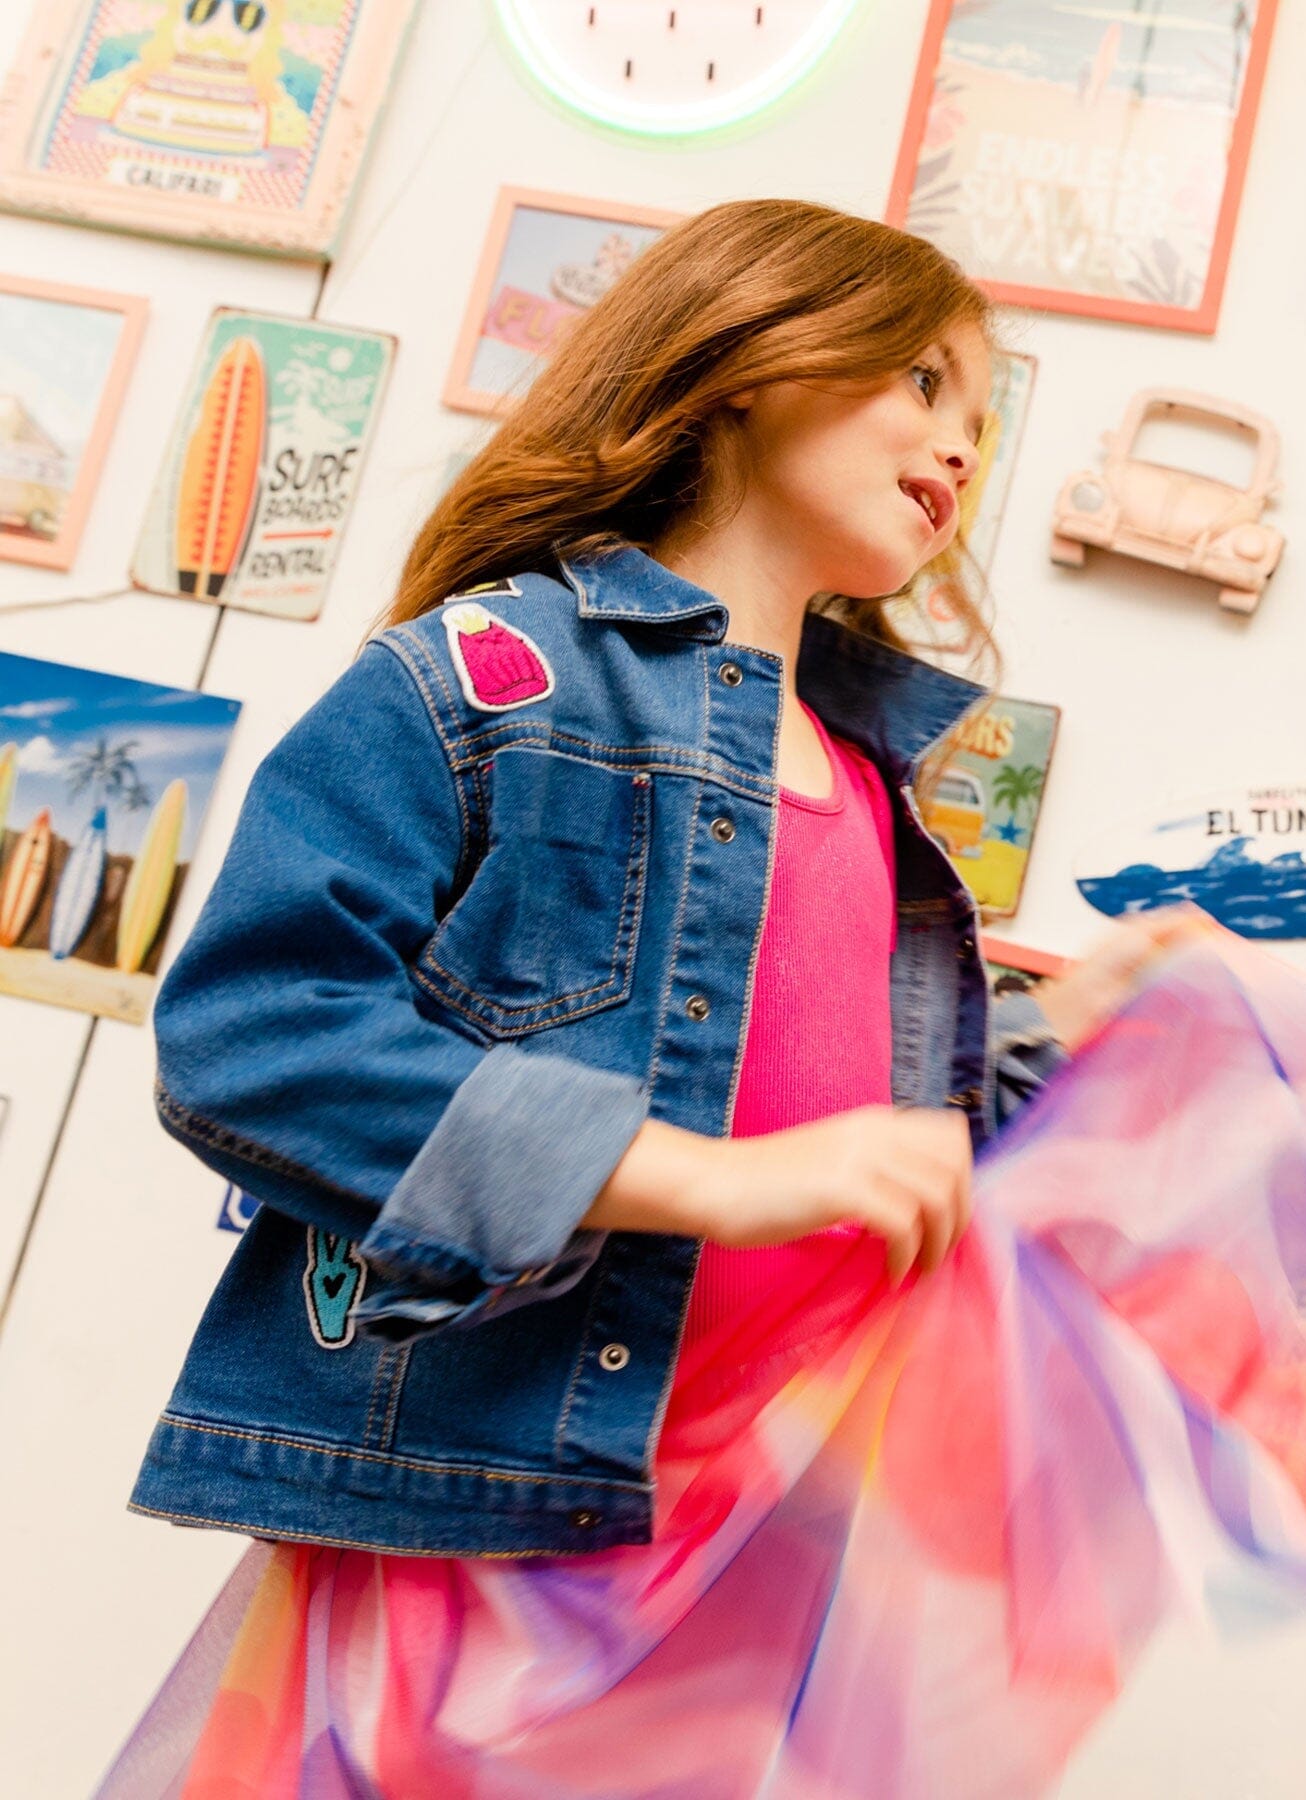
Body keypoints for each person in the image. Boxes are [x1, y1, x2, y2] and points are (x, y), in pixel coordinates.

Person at [101, 198, 1207, 1796]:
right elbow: (254, 1036)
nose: (963, 453)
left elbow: (844, 1115)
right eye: (923, 387)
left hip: (759, 1535)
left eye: (983, 425)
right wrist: (704, 1181)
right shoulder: (491, 679)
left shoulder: (871, 794)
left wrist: (1075, 1029)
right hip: (510, 1515)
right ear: (757, 358)